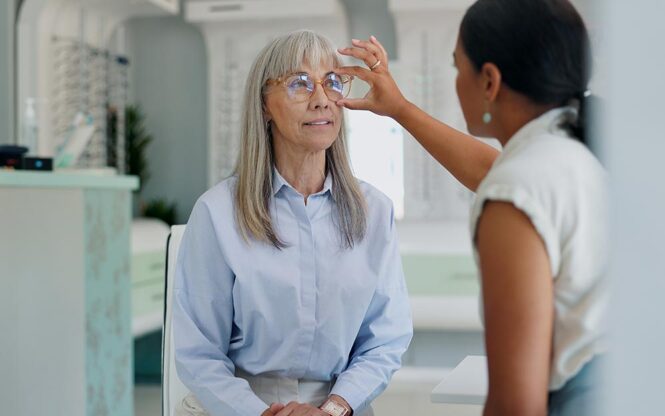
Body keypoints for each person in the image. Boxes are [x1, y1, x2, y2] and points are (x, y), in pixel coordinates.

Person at [335, 0, 607, 414]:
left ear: (489, 81)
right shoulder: (582, 153)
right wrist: (400, 109)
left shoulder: (516, 194)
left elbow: (515, 405)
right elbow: (496, 170)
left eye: (457, 66)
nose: (456, 81)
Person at [173, 30, 413, 416]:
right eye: (299, 84)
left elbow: (385, 339)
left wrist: (334, 408)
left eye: (332, 82)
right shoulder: (217, 213)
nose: (321, 100)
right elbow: (198, 353)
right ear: (264, 106)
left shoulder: (375, 211)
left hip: (343, 407)